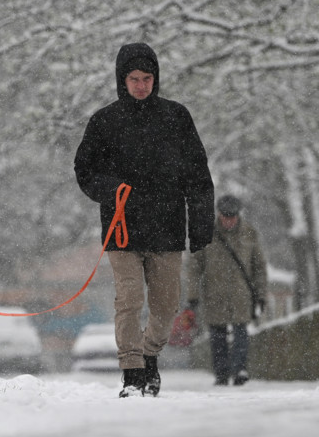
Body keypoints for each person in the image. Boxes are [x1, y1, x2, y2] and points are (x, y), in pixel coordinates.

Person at [75, 42, 215, 397]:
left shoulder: (176, 117)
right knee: (129, 299)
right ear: (122, 80)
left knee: (167, 304)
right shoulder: (104, 121)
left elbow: (198, 175)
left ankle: (150, 355)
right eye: (134, 79)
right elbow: (85, 170)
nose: (141, 85)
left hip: (167, 229)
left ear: (156, 79)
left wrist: (200, 226)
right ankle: (132, 372)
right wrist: (111, 189)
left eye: (147, 78)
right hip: (122, 229)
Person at [186, 193, 268, 386]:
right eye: (225, 216)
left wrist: (261, 295)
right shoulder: (206, 233)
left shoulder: (249, 233)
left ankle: (239, 369)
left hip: (241, 294)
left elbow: (259, 267)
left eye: (232, 216)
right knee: (217, 336)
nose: (229, 220)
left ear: (238, 215)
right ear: (219, 214)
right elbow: (194, 267)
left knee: (241, 333)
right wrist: (193, 296)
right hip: (214, 294)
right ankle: (221, 373)